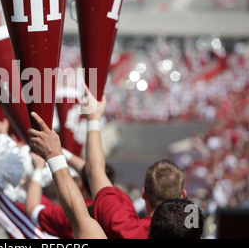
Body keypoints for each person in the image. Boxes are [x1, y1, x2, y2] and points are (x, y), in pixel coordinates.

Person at [81, 83, 187, 239]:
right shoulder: (192, 232)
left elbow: (94, 171)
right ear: (183, 195)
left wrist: (93, 118)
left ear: (144, 193)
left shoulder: (124, 226)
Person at [28, 111, 107, 239]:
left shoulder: (65, 215)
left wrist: (43, 164)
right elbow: (96, 172)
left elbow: (32, 209)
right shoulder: (121, 207)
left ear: (83, 185)